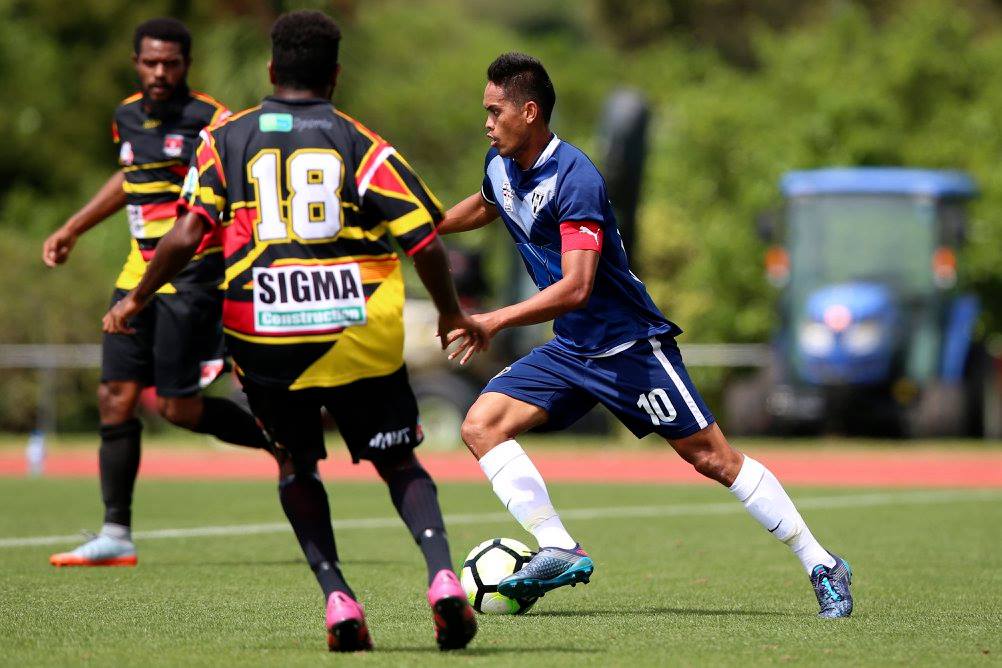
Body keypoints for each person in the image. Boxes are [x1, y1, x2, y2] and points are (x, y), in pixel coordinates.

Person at [103, 10, 485, 651]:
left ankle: (337, 596)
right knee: (399, 462)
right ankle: (442, 576)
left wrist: (137, 298)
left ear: (271, 69)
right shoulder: (361, 143)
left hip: (264, 336)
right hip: (356, 332)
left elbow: (186, 234)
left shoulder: (225, 140)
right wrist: (450, 312)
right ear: (335, 75)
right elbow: (424, 239)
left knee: (295, 464)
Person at [440, 52, 854, 619]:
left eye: (495, 111)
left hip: (629, 345)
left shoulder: (575, 178)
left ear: (529, 112)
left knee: (713, 458)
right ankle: (559, 546)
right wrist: (427, 226)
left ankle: (822, 563)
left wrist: (493, 319)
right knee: (481, 425)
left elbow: (576, 287)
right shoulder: (500, 164)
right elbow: (488, 204)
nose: (487, 123)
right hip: (573, 348)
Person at [43, 18, 274, 569]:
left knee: (177, 408)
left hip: (193, 277)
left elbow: (239, 195)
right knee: (114, 396)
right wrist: (73, 227)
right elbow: (129, 179)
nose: (160, 72)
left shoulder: (213, 120)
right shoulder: (125, 116)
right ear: (136, 63)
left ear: (186, 65)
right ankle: (115, 533)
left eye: (171, 63)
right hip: (135, 273)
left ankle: (281, 445)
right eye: (151, 62)